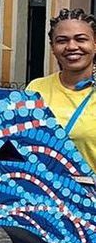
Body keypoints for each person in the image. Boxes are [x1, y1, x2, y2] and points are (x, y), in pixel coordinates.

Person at [27, 9, 96, 172]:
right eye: (62, 41)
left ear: (94, 45)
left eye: (81, 39)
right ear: (52, 47)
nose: (71, 46)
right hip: (45, 191)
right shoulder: (36, 89)